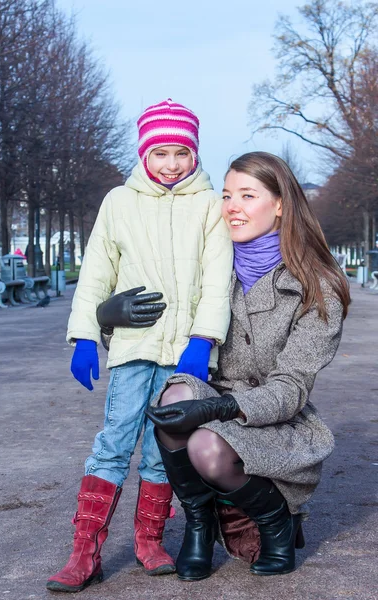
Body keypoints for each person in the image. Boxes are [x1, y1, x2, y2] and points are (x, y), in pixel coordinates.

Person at [106, 151, 350, 582]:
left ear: (279, 204)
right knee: (174, 394)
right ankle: (197, 525)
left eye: (247, 195)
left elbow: (291, 387)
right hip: (212, 398)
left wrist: (220, 410)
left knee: (205, 443)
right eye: (226, 195)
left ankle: (276, 520)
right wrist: (107, 320)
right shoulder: (209, 269)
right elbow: (157, 338)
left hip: (275, 420)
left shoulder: (316, 285)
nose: (232, 207)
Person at [46, 99, 233, 593]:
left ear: (194, 153)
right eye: (160, 153)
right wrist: (87, 333)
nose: (171, 163)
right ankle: (84, 552)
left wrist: (203, 338)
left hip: (182, 357)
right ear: (144, 154)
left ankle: (149, 541)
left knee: (161, 451)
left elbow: (217, 279)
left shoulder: (209, 205)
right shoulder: (118, 202)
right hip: (133, 348)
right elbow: (96, 273)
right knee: (113, 443)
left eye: (180, 152)